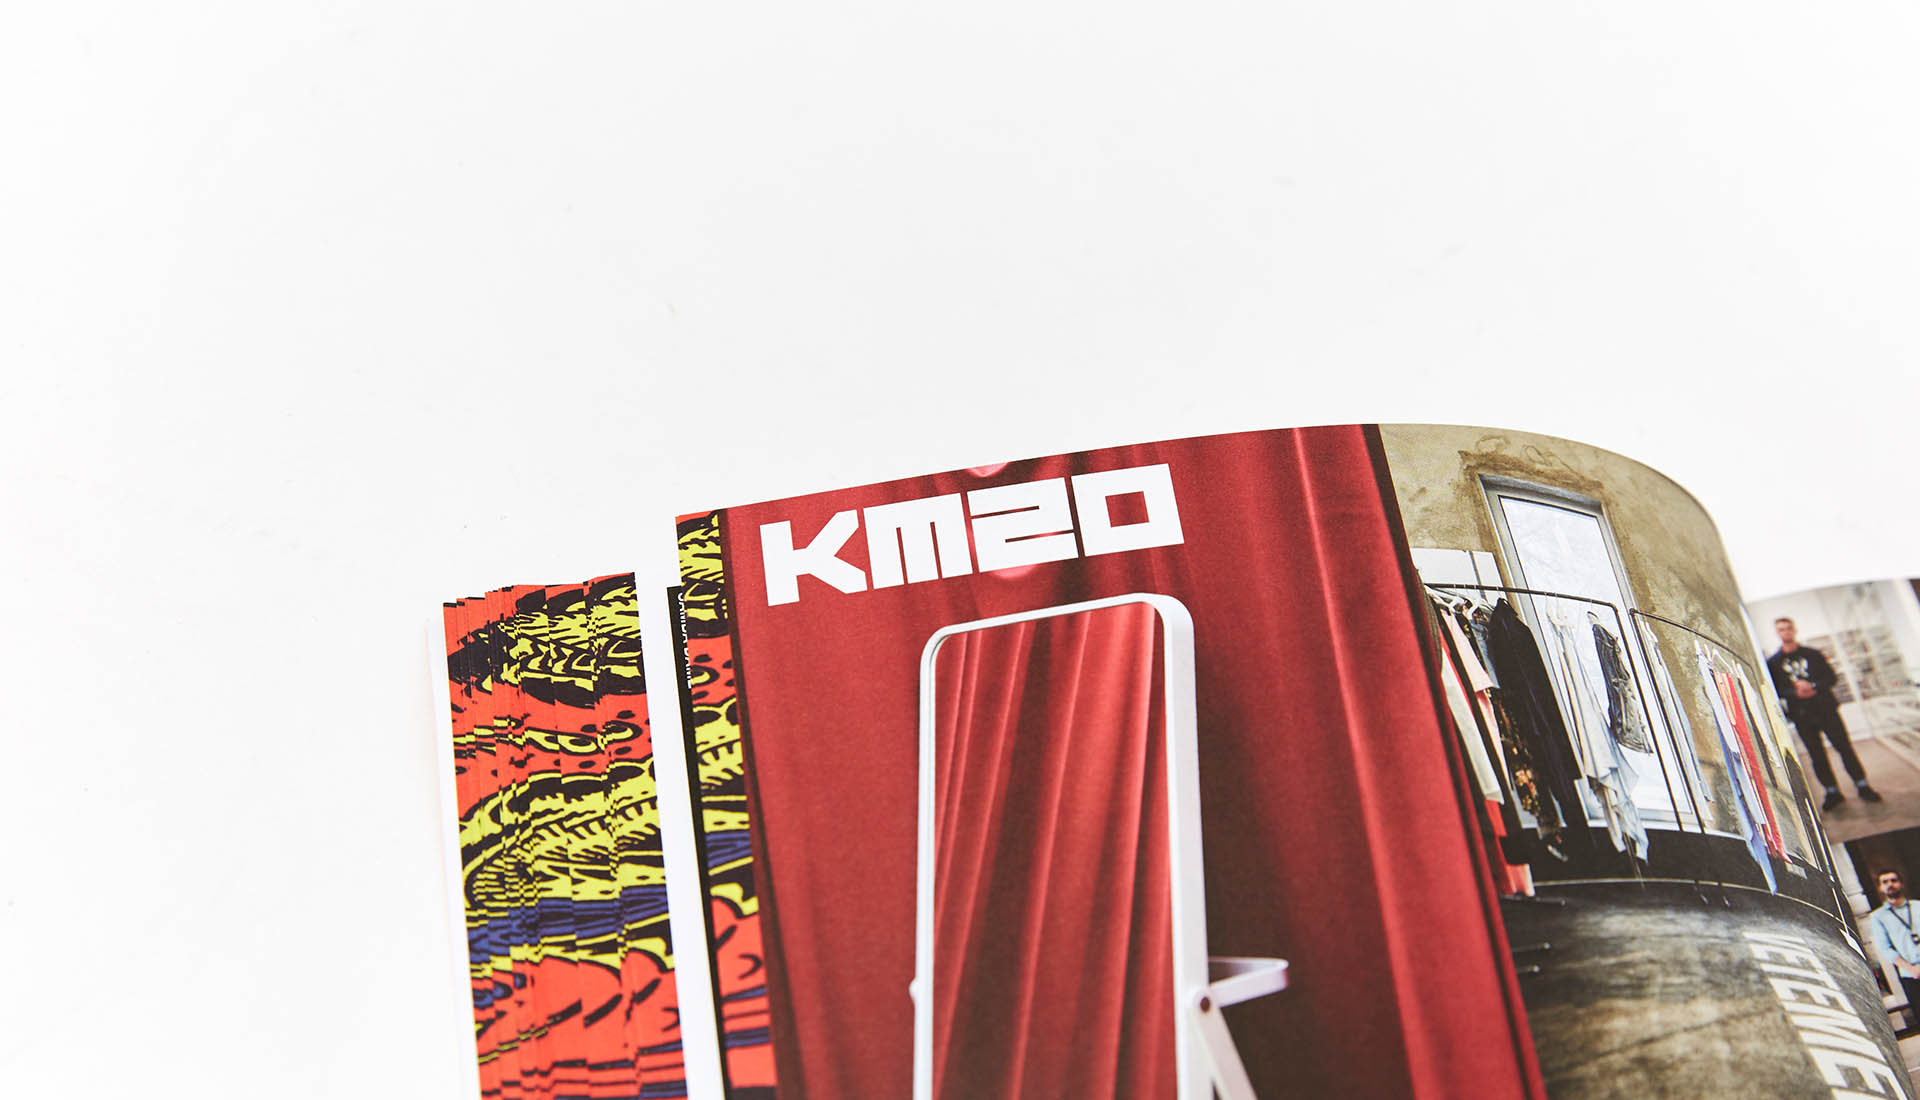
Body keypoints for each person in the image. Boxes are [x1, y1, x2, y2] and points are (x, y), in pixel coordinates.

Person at [1767, 617, 1881, 811]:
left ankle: (1863, 786)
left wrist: (1812, 686)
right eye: (1781, 629)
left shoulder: (1813, 655)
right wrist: (1795, 692)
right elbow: (1776, 689)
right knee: (1816, 755)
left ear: (1794, 629)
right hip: (1802, 716)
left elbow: (1831, 678)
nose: (1785, 632)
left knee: (1844, 747)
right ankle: (1832, 792)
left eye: (1788, 628)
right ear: (1777, 633)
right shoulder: (1773, 663)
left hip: (1826, 710)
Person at [1870, 870, 1920, 1015]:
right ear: (1880, 888)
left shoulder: (1917, 906)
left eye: (1893, 880)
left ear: (1901, 884)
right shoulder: (1878, 917)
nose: (1890, 884)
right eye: (1885, 882)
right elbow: (1886, 949)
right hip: (1911, 975)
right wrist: (1911, 969)